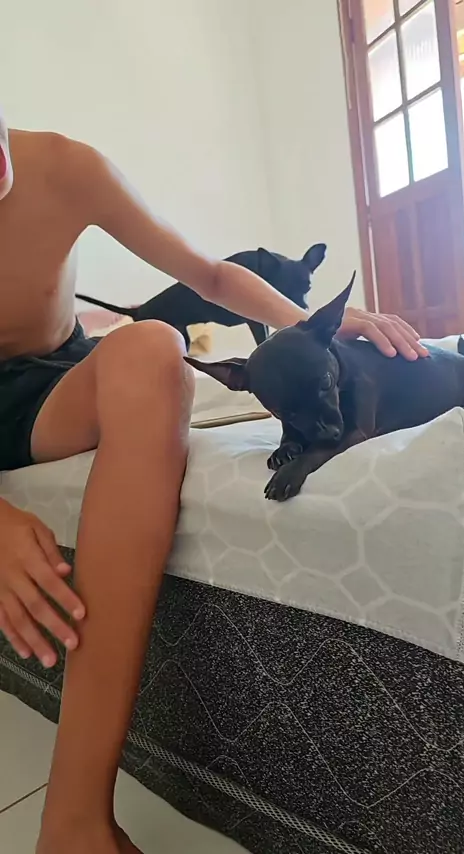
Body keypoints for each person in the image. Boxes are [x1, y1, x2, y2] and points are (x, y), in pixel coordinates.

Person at [0, 109, 428, 854]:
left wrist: (313, 326)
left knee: (152, 347)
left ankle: (73, 823)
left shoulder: (65, 168)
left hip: (50, 386)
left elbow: (210, 275)